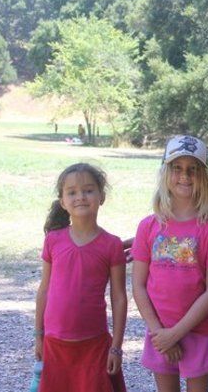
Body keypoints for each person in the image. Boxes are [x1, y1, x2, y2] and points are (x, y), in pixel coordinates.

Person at [131, 135, 208, 392]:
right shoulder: (148, 226)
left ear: (203, 177)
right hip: (159, 332)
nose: (184, 176)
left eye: (193, 169)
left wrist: (176, 333)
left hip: (198, 332)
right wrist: (160, 333)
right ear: (165, 172)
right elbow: (139, 286)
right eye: (177, 168)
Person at [34, 163, 127, 392]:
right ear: (63, 201)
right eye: (72, 192)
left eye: (88, 190)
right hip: (55, 344)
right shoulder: (53, 241)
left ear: (101, 196)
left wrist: (116, 347)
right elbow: (44, 290)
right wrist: (39, 335)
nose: (81, 197)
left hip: (94, 345)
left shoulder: (112, 245)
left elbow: (119, 298)